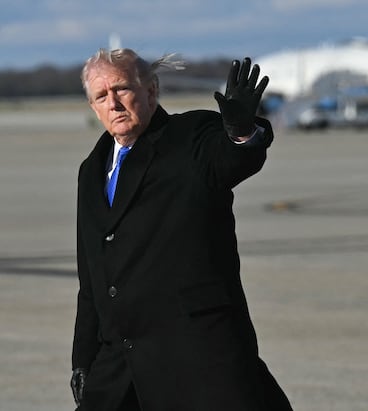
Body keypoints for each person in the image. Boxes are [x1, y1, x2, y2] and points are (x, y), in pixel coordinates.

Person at [70, 48, 293, 411]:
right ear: (93, 107)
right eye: (101, 95)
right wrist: (83, 357)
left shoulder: (189, 137)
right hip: (119, 371)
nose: (113, 103)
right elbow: (91, 278)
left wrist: (240, 133)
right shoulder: (91, 171)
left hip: (196, 357)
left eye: (122, 88)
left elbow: (230, 158)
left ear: (151, 90)